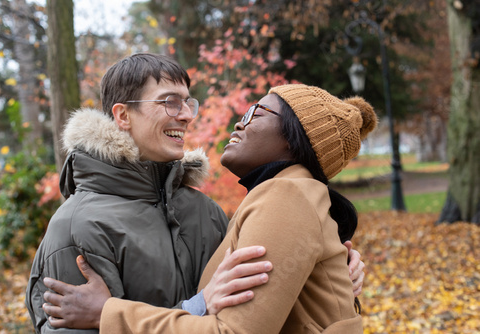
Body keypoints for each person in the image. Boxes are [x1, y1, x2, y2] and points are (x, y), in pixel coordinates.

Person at [42, 83, 376, 333]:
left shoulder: (286, 195)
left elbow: (231, 331)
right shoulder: (271, 198)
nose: (238, 123)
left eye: (255, 113)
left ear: (295, 136)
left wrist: (107, 313)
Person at [26, 53, 276, 334]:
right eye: (170, 102)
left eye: (187, 103)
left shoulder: (206, 211)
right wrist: (197, 306)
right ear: (123, 115)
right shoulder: (79, 227)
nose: (186, 116)